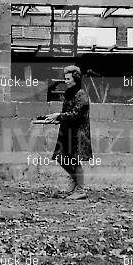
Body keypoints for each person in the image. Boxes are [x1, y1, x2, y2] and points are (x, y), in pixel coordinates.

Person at [45, 65, 92, 200]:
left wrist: (59, 116)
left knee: (75, 160)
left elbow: (76, 114)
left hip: (78, 133)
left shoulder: (81, 94)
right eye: (65, 78)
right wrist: (57, 119)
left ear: (76, 78)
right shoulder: (70, 93)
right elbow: (68, 114)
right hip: (67, 131)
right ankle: (74, 182)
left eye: (68, 78)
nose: (66, 81)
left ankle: (80, 189)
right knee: (61, 157)